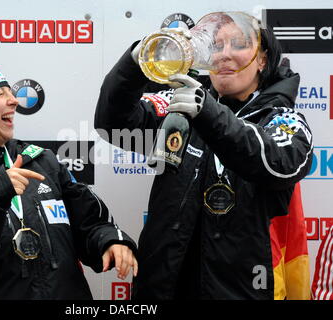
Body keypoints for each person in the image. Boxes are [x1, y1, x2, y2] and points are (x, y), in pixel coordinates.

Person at [95, 12, 313, 299]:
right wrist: (135, 61)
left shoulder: (284, 118)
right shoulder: (180, 103)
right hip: (163, 289)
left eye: (238, 44)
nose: (224, 55)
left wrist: (207, 112)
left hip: (245, 290)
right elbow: (113, 122)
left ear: (262, 59)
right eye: (216, 45)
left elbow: (280, 164)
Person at [0, 64, 138, 300]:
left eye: (11, 92)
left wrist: (110, 240)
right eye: (0, 94)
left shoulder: (42, 161)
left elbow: (91, 222)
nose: (14, 101)